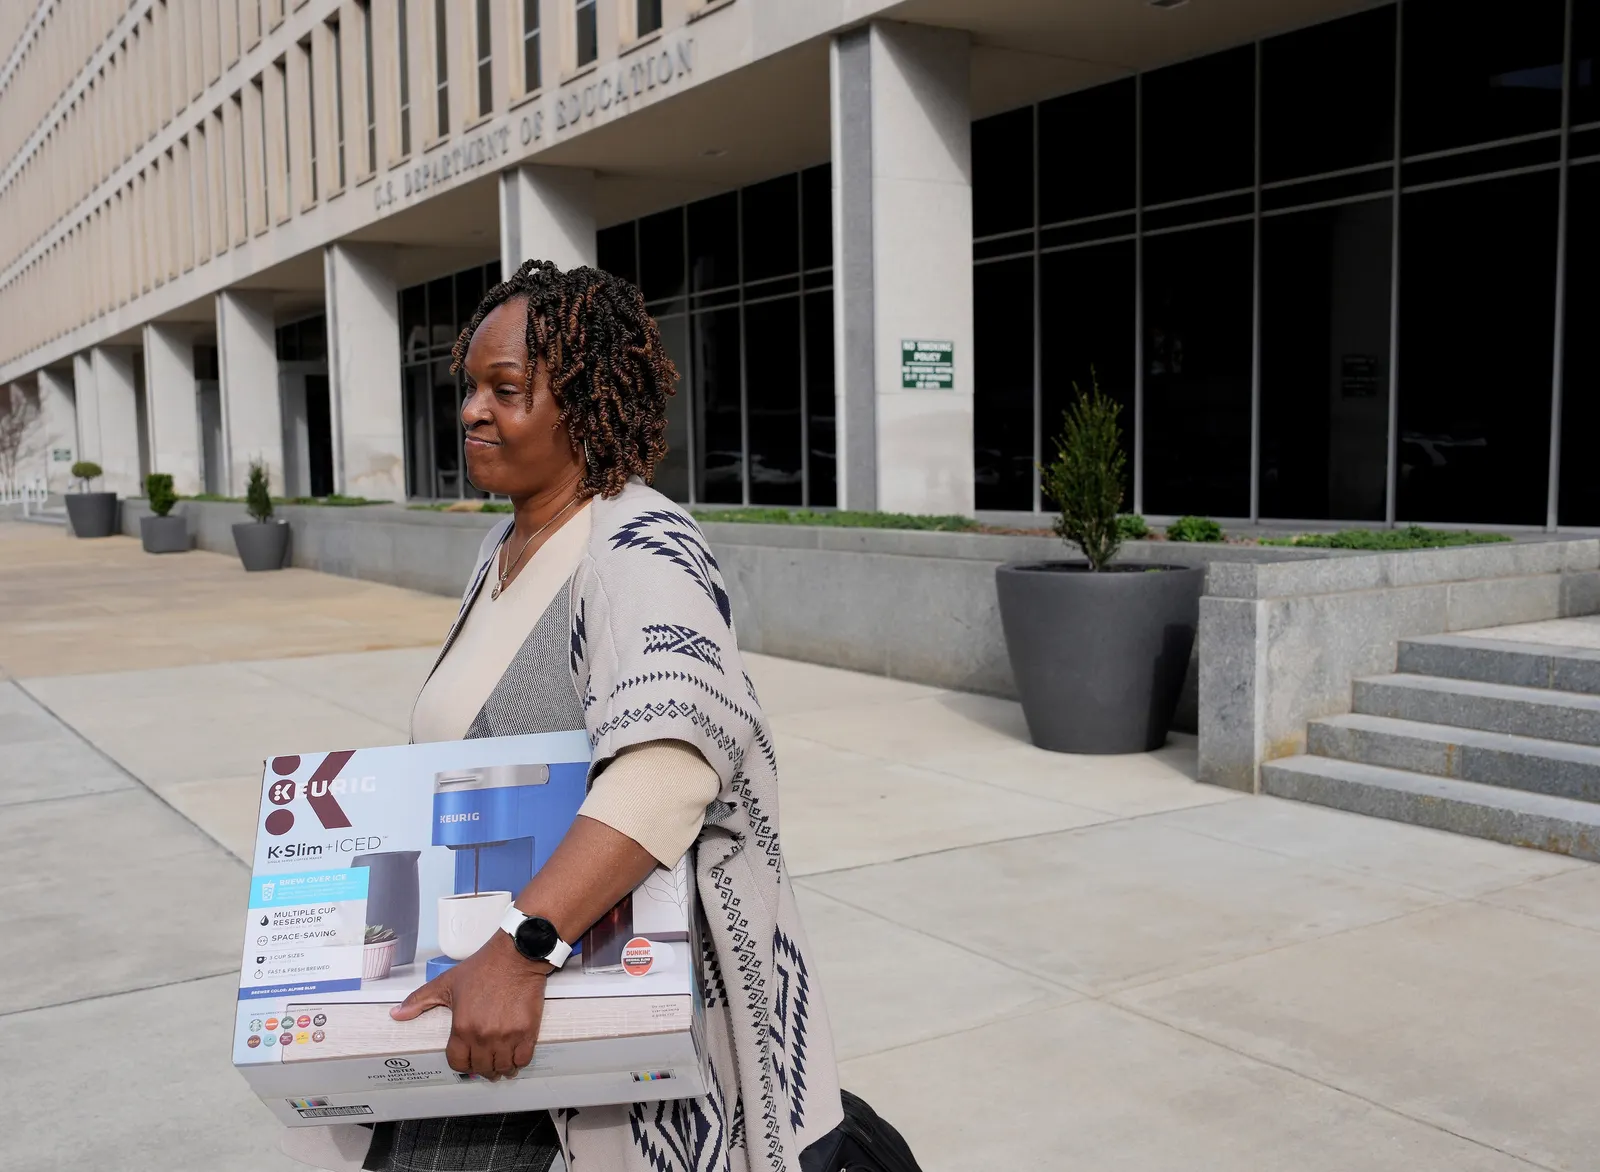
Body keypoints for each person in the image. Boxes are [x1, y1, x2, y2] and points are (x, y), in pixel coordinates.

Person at [366, 258, 842, 1172]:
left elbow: (670, 765)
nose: (473, 410)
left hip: (564, 1006)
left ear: (586, 405)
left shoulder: (638, 546)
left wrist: (521, 950)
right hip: (494, 993)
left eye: (506, 390)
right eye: (470, 387)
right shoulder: (504, 546)